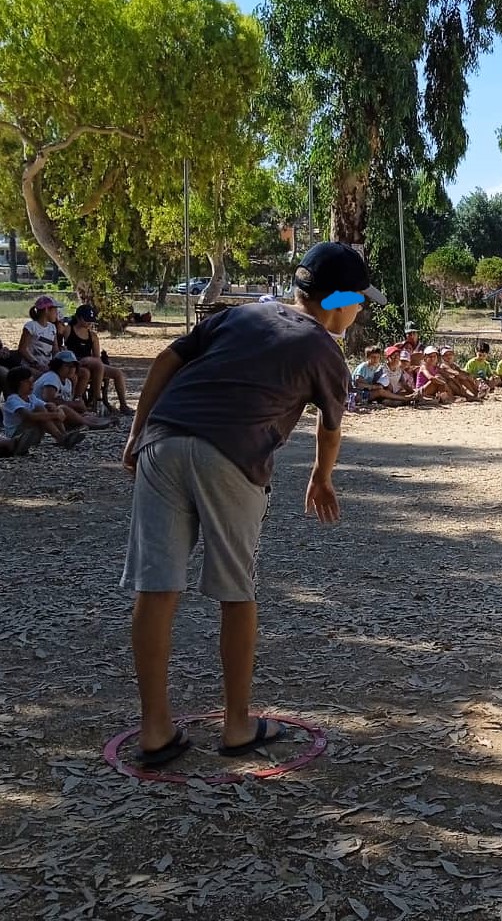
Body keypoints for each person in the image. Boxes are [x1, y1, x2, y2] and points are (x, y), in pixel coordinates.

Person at [121, 241, 385, 768]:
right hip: (231, 453)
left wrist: (136, 432)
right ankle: (237, 725)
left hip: (163, 439)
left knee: (156, 587)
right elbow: (330, 427)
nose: (359, 311)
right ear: (339, 301)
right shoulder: (324, 351)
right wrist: (321, 477)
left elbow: (167, 358)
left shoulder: (243, 314)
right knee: (236, 592)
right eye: (358, 301)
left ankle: (155, 731)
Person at [64, 304, 133, 414]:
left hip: (91, 363)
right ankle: (97, 399)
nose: (89, 323)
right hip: (74, 362)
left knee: (117, 373)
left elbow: (97, 357)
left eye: (90, 321)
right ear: (79, 318)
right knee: (92, 368)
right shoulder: (69, 330)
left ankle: (123, 404)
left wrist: (91, 360)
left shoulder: (92, 336)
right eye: (86, 320)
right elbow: (64, 348)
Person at [2, 366, 86, 451]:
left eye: (32, 381)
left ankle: (64, 435)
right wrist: (56, 415)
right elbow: (29, 416)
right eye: (27, 382)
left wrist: (57, 410)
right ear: (18, 384)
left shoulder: (31, 397)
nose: (31, 385)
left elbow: (48, 405)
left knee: (50, 407)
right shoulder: (12, 400)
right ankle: (60, 438)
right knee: (40, 410)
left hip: (32, 432)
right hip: (17, 434)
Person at [32, 352, 113, 429]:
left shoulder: (67, 381)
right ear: (57, 365)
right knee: (64, 409)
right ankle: (91, 424)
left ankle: (95, 421)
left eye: (73, 366)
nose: (71, 369)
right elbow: (48, 400)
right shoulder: (51, 377)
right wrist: (74, 404)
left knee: (85, 414)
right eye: (67, 366)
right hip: (41, 412)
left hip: (55, 413)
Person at [17, 296, 62, 374]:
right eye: (55, 311)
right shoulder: (31, 326)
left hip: (47, 366)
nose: (56, 314)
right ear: (47, 310)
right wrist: (36, 364)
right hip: (30, 366)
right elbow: (22, 349)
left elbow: (55, 350)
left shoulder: (52, 327)